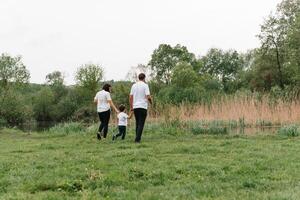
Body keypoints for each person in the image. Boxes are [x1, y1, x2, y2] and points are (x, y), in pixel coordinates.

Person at [129, 73, 152, 143]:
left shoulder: (134, 85)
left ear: (138, 78)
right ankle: (137, 140)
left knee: (137, 123)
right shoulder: (145, 85)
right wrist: (151, 102)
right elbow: (148, 96)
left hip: (135, 107)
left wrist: (131, 106)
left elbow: (130, 97)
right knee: (141, 124)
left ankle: (137, 137)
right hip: (143, 107)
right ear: (144, 78)